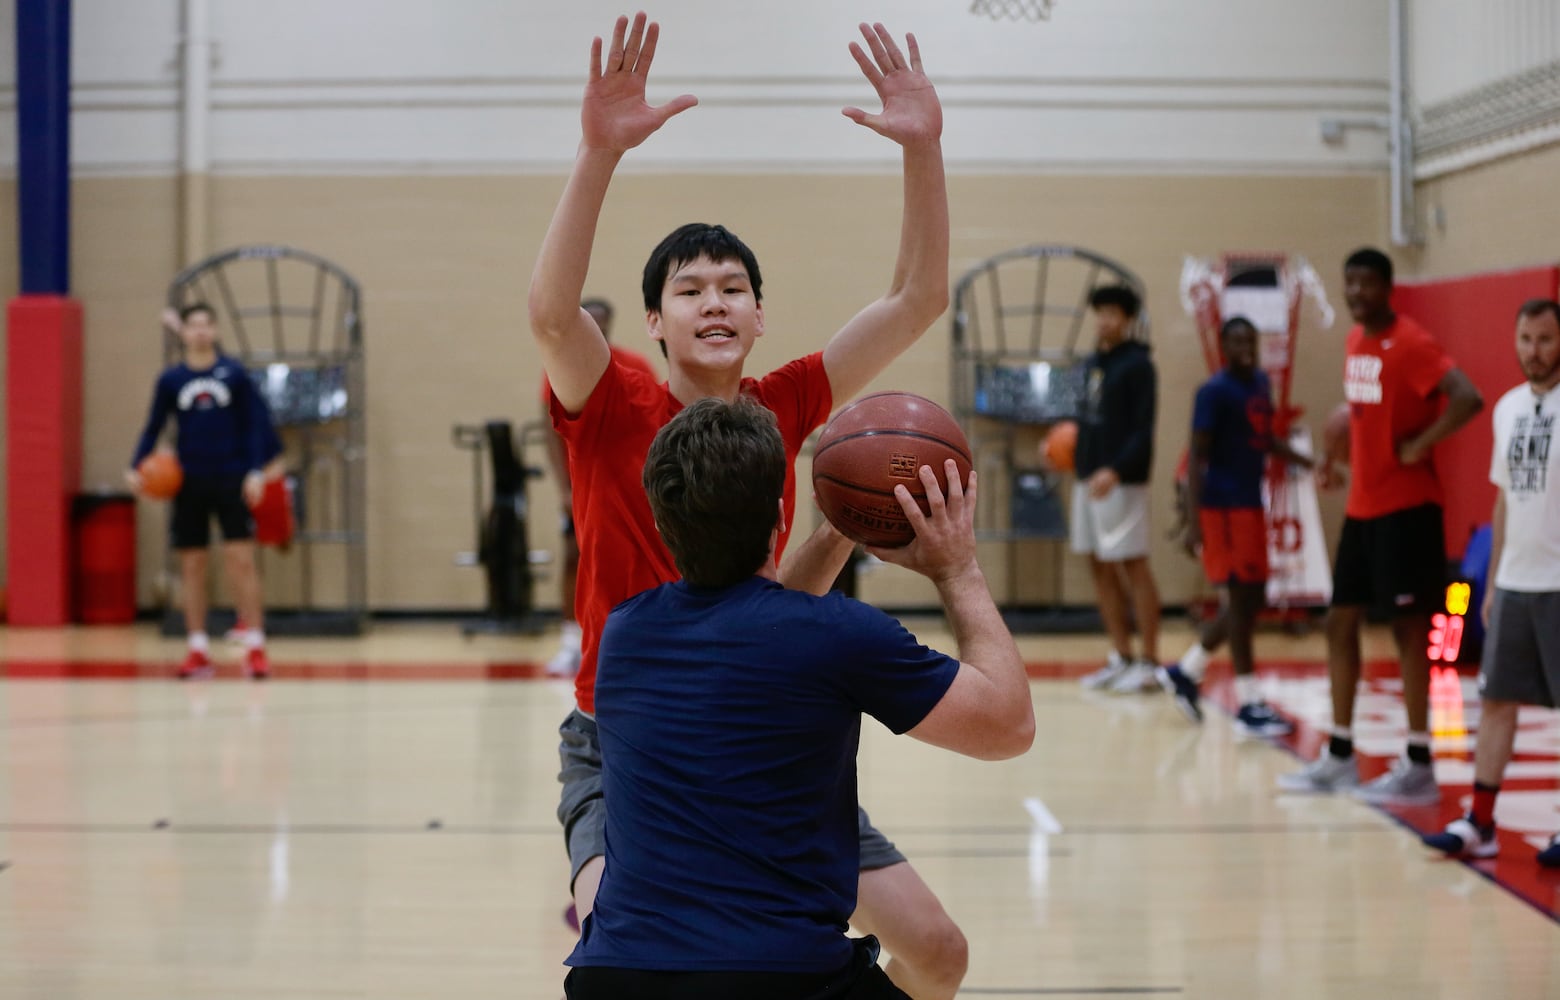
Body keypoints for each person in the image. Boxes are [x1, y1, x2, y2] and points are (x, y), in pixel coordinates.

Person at [527, 15, 965, 998]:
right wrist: (598, 152)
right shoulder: (613, 403)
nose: (714, 300)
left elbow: (916, 297)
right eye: (690, 289)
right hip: (630, 733)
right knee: (623, 946)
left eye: (734, 287)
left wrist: (925, 148)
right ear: (654, 321)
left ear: (761, 315)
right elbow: (553, 316)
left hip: (762, 722)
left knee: (935, 948)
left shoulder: (790, 402)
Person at [564, 397, 1033, 999]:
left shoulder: (625, 633)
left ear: (662, 523)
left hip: (613, 983)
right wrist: (956, 567)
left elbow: (761, 614)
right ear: (780, 515)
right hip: (783, 978)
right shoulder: (838, 636)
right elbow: (1009, 723)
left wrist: (842, 525)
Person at [1277, 248, 1483, 804]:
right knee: (1339, 624)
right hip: (1363, 509)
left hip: (1409, 509)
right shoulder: (1355, 342)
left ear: (1387, 288)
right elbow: (1359, 410)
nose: (1356, 294)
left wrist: (1420, 444)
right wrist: (1333, 453)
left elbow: (1467, 397)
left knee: (1410, 632)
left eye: (1367, 284)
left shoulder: (1412, 343)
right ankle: (1340, 755)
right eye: (1350, 284)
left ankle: (1420, 763)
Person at [1423, 298, 1560, 862]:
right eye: (1525, 339)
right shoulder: (1506, 409)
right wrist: (1496, 577)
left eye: (1546, 339)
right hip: (1514, 584)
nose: (1534, 350)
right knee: (1498, 701)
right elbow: (1504, 499)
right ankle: (1480, 821)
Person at [1157, 316, 1312, 734]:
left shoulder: (1261, 383)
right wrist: (1193, 521)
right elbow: (1196, 458)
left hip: (1250, 503)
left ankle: (1187, 671)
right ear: (1224, 347)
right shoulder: (1214, 392)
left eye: (1251, 338)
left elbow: (1265, 441)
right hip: (1221, 508)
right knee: (1242, 604)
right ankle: (1249, 702)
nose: (1246, 345)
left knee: (1252, 598)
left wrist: (1307, 464)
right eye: (1237, 340)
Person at [128, 303, 280, 680]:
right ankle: (197, 650)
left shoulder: (234, 375)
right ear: (184, 332)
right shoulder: (171, 380)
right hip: (189, 480)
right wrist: (136, 466)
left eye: (205, 325)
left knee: (240, 561)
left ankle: (256, 647)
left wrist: (256, 472)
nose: (198, 331)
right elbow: (153, 426)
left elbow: (253, 428)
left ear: (214, 331)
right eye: (192, 325)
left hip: (231, 477)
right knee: (192, 566)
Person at [539, 297, 657, 678]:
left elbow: (658, 424)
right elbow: (548, 428)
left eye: (603, 324)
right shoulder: (560, 366)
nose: (598, 330)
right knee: (574, 555)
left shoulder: (635, 364)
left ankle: (627, 640)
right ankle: (570, 642)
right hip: (582, 484)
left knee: (630, 561)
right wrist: (562, 488)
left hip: (629, 485)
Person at [1070, 284, 1164, 694]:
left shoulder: (1139, 365)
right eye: (1100, 312)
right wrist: (1062, 446)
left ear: (1127, 320)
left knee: (1132, 564)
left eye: (1113, 313)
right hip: (1087, 478)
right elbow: (1089, 420)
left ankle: (1150, 661)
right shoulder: (1093, 364)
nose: (1105, 320)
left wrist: (1117, 468)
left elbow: (1143, 430)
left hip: (1121, 481)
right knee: (1099, 565)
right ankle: (1121, 656)